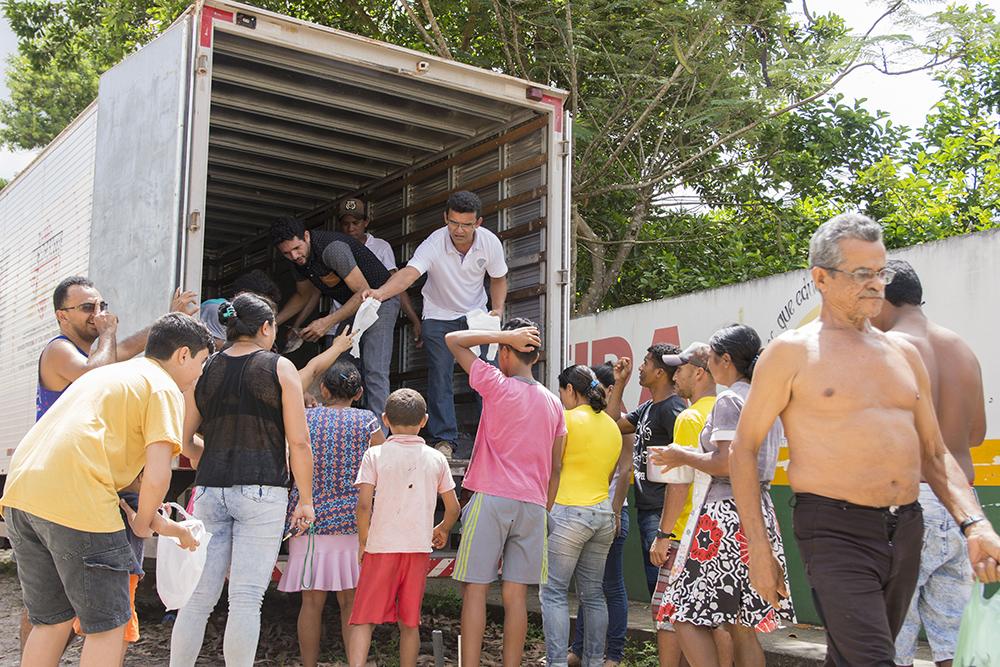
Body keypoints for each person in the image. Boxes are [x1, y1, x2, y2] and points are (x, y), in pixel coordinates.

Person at [730, 213, 1000, 667]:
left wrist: (975, 524)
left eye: (881, 273)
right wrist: (757, 548)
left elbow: (934, 453)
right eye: (862, 274)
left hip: (908, 527)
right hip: (835, 529)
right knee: (875, 659)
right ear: (821, 277)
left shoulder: (905, 354)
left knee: (858, 656)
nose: (876, 284)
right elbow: (744, 448)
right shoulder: (793, 352)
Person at [2, 313, 211, 667]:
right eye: (202, 362)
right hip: (78, 503)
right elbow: (159, 474)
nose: (200, 373)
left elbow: (114, 466)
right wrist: (145, 525)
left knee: (50, 622)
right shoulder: (162, 387)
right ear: (183, 355)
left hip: (22, 497)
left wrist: (160, 523)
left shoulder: (110, 374)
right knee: (109, 627)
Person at [170, 294, 316, 667]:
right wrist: (306, 500)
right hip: (263, 491)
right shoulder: (279, 368)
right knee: (247, 598)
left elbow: (185, 442)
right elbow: (298, 441)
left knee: (198, 598)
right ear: (266, 328)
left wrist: (217, 458)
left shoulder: (206, 369)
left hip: (209, 490)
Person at [868, 259, 986, 667]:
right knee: (954, 643)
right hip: (962, 508)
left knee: (892, 638)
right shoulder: (963, 350)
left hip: (907, 505)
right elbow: (975, 436)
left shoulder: (888, 349)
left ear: (883, 298)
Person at [652, 327, 792, 667]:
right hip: (757, 512)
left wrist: (680, 455)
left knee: (680, 610)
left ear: (724, 360)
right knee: (741, 625)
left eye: (712, 357)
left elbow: (727, 463)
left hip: (724, 517)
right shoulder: (762, 398)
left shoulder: (729, 400)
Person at [445, 319, 567, 667]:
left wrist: (502, 335)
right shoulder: (554, 404)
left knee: (475, 589)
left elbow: (453, 340)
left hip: (492, 499)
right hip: (533, 505)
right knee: (517, 597)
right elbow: (556, 466)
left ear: (505, 352)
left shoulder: (496, 384)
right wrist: (545, 507)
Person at [365, 190, 509, 457]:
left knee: (487, 376)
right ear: (445, 218)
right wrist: (380, 293)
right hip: (438, 316)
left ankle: (493, 438)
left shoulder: (490, 243)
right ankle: (445, 440)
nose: (459, 230)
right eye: (453, 222)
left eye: (466, 224)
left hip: (476, 316)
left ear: (478, 222)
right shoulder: (434, 243)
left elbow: (498, 278)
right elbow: (409, 274)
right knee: (440, 377)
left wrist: (497, 310)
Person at [278, 359, 385, 667]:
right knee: (350, 602)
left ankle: (308, 664)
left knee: (310, 602)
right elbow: (384, 460)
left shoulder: (306, 419)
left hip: (307, 521)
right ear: (359, 392)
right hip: (353, 524)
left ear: (322, 389)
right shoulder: (367, 422)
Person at [349, 388, 460, 667]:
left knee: (363, 619)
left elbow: (364, 505)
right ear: (424, 420)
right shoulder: (436, 459)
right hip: (416, 550)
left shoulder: (374, 455)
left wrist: (363, 541)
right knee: (410, 623)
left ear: (385, 419)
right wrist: (443, 529)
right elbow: (454, 507)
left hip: (380, 548)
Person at [270, 215, 399, 428]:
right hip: (354, 304)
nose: (294, 256)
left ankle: (379, 437)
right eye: (287, 253)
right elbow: (303, 295)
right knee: (338, 366)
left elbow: (363, 292)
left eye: (296, 248)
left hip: (379, 300)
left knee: (374, 368)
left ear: (307, 236)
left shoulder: (332, 249)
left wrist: (327, 322)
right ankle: (339, 426)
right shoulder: (296, 261)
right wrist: (273, 322)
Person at [649, 343, 733, 667]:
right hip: (719, 533)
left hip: (686, 534)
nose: (675, 376)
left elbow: (679, 484)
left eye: (680, 369)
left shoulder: (689, 417)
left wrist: (663, 534)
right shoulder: (726, 410)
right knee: (716, 620)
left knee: (670, 616)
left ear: (698, 373)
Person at [541, 364, 620, 667]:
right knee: (593, 595)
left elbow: (553, 468)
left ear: (570, 390)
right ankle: (593, 662)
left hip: (568, 512)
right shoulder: (612, 426)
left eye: (562, 392)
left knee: (554, 593)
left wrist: (544, 510)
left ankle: (557, 663)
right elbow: (611, 473)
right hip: (602, 513)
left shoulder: (565, 419)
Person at [71, 473, 197, 666]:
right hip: (123, 574)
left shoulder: (110, 497)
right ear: (140, 478)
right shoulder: (133, 499)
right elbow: (157, 524)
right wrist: (183, 532)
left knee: (99, 629)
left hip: (95, 569)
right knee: (120, 629)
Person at [36, 275, 197, 419]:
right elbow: (97, 377)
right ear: (62, 316)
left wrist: (169, 320)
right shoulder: (58, 349)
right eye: (87, 307)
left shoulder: (93, 358)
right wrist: (107, 332)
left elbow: (128, 347)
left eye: (102, 307)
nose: (98, 314)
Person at [605, 344, 687, 596]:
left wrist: (666, 526)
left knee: (664, 590)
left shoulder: (673, 409)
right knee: (657, 590)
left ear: (661, 372)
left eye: (646, 362)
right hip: (647, 510)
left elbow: (685, 462)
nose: (640, 367)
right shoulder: (648, 408)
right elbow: (613, 424)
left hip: (662, 512)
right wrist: (620, 383)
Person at [569, 362, 635, 667]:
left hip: (610, 514)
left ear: (609, 391)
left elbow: (625, 471)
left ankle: (613, 655)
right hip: (590, 512)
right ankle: (579, 650)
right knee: (588, 587)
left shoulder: (619, 422)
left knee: (611, 586)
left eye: (597, 387)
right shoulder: (590, 421)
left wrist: (616, 509)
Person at [336, 197, 422, 348]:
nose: (350, 229)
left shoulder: (380, 247)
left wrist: (414, 320)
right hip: (340, 321)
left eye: (355, 223)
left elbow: (396, 284)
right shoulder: (334, 248)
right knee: (341, 370)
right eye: (345, 224)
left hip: (372, 320)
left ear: (366, 222)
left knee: (374, 369)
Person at [199, 270, 283, 350]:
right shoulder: (218, 309)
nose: (260, 310)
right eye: (258, 304)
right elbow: (216, 344)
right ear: (242, 294)